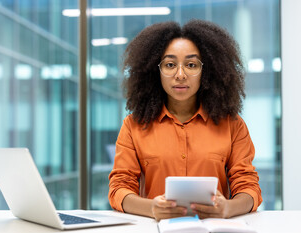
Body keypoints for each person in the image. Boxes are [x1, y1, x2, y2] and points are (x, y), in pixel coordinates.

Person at [108, 19, 262, 221]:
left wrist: (228, 208)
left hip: (213, 232)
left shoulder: (233, 125)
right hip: (156, 232)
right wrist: (151, 208)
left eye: (191, 65)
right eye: (170, 65)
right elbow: (119, 187)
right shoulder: (133, 125)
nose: (180, 75)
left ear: (206, 71)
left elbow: (248, 186)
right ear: (156, 71)